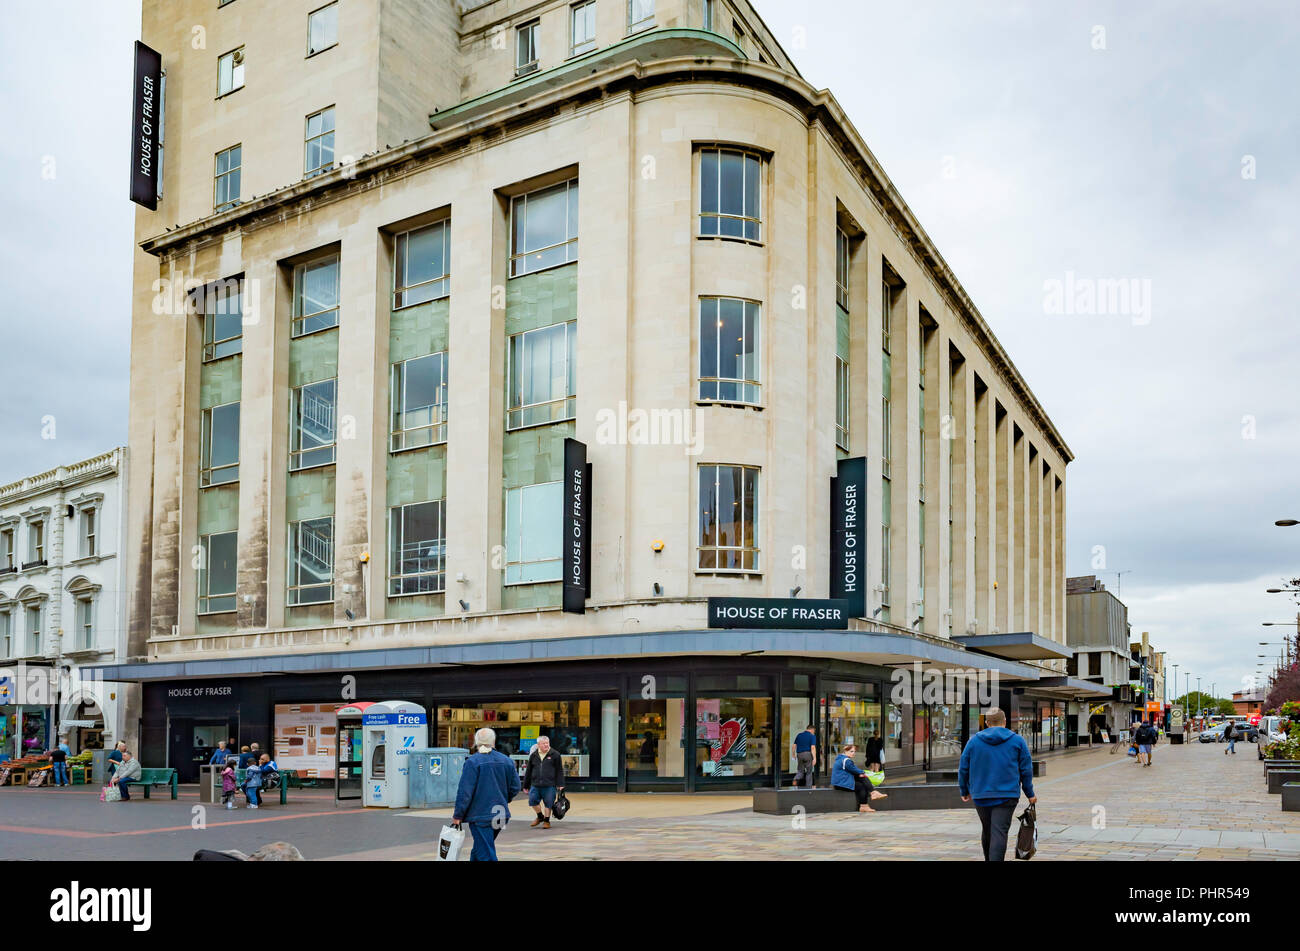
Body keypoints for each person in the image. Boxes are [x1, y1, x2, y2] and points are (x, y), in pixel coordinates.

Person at [958, 707, 1036, 862]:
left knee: (987, 830)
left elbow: (963, 767)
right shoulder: (1017, 740)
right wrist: (1030, 793)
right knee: (999, 831)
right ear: (1005, 721)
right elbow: (1026, 769)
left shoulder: (973, 741)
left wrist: (964, 790)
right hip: (1007, 796)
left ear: (986, 723)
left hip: (981, 795)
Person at [452, 727, 521, 861]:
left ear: (476, 742)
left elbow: (465, 792)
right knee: (481, 848)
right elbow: (516, 786)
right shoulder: (507, 761)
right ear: (494, 741)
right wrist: (504, 798)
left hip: (481, 815)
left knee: (486, 853)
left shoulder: (472, 762)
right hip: (500, 814)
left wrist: (458, 815)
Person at [522, 735, 565, 828]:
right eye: (544, 743)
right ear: (538, 744)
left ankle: (547, 821)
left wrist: (560, 784)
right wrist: (525, 785)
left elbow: (559, 770)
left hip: (550, 784)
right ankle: (540, 816)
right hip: (535, 784)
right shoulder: (534, 755)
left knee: (548, 803)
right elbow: (528, 771)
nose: (546, 745)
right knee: (532, 801)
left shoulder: (555, 754)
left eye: (547, 743)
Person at [830, 742, 887, 813]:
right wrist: (862, 773)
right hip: (841, 784)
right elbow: (854, 769)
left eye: (854, 751)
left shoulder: (841, 758)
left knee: (862, 778)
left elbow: (852, 771)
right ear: (845, 751)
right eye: (851, 751)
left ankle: (872, 795)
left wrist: (860, 774)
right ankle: (867, 801)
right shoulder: (846, 761)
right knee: (861, 786)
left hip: (841, 782)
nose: (853, 753)